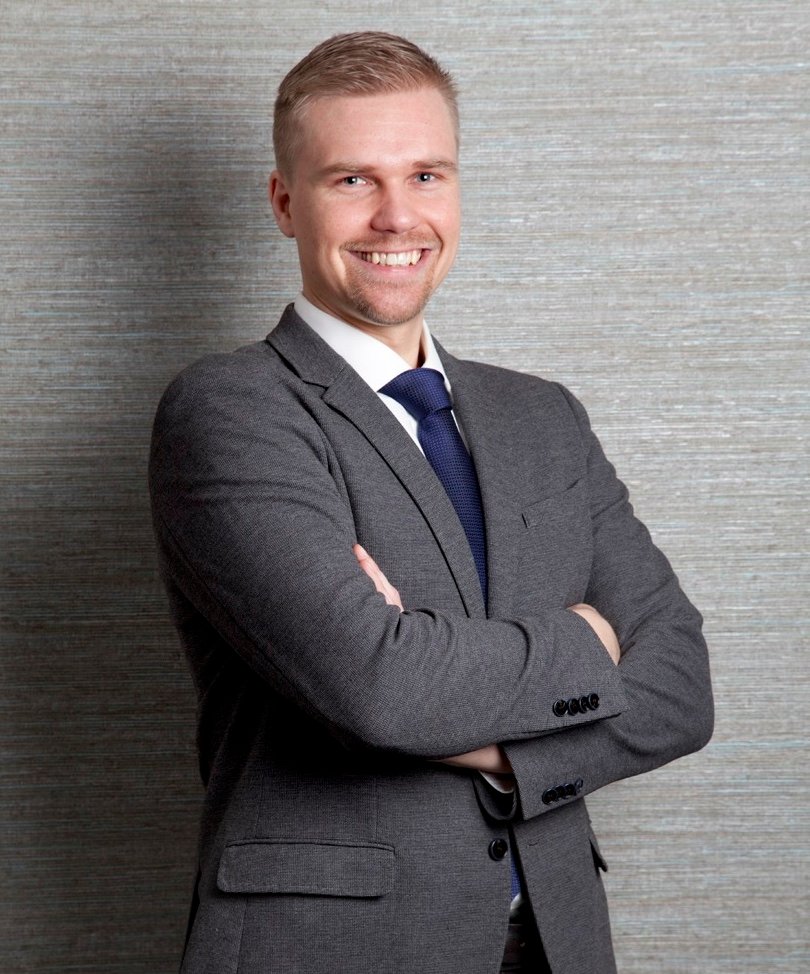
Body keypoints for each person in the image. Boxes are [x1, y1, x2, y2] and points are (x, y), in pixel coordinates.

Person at [149, 31, 713, 974]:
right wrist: (590, 641)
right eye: (352, 180)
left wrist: (452, 708)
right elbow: (381, 688)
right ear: (284, 202)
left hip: (558, 942)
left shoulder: (543, 416)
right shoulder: (230, 410)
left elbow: (681, 691)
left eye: (425, 175)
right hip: (333, 951)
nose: (396, 216)